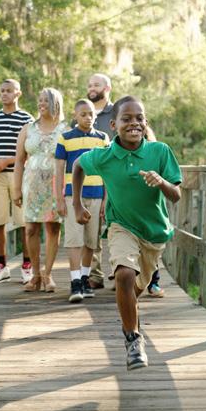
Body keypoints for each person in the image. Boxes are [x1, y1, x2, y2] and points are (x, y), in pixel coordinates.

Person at [72, 96, 182, 370]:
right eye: (127, 119)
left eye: (139, 118)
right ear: (113, 125)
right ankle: (133, 339)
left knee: (133, 290)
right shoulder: (105, 156)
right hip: (121, 226)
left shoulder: (160, 151)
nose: (134, 123)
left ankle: (130, 319)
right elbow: (78, 166)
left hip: (154, 234)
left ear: (146, 123)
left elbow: (176, 195)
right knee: (123, 275)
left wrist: (161, 182)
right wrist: (76, 204)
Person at [55, 99, 109, 303]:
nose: (88, 118)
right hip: (73, 196)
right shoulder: (65, 138)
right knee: (74, 239)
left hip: (96, 194)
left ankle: (85, 279)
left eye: (91, 114)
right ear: (75, 115)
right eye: (83, 114)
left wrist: (106, 199)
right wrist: (60, 199)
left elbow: (107, 171)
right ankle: (75, 281)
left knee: (91, 240)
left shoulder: (103, 139)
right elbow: (59, 170)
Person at [13, 88, 67, 292]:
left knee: (53, 228)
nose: (41, 103)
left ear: (56, 103)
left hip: (55, 184)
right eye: (40, 100)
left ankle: (48, 274)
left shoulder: (65, 129)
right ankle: (35, 275)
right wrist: (16, 189)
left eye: (46, 100)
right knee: (30, 229)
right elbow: (19, 161)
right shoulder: (28, 128)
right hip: (32, 185)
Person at [0, 79, 34, 284]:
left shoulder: (27, 119)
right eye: (2, 91)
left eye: (9, 91)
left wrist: (7, 161)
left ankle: (27, 266)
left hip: (20, 175)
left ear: (18, 93)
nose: (4, 94)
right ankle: (1, 266)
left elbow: (29, 151)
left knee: (24, 222)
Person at [85, 73, 115, 289]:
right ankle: (95, 275)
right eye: (89, 85)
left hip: (115, 179)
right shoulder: (82, 112)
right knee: (92, 230)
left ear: (107, 88)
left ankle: (118, 272)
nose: (91, 88)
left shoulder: (118, 112)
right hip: (91, 181)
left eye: (96, 85)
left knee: (116, 227)